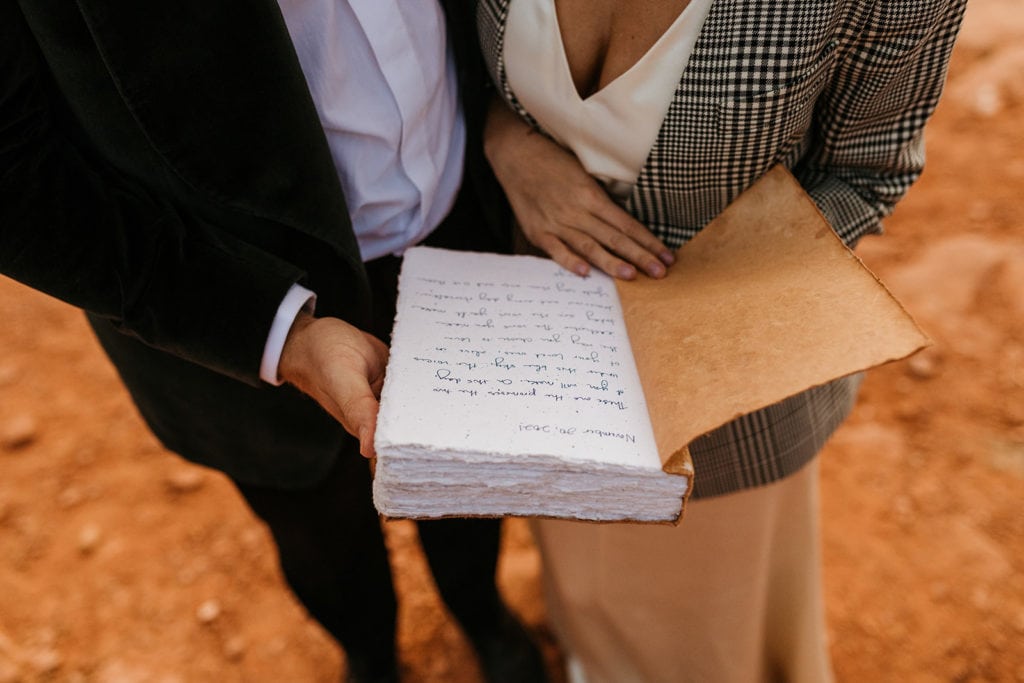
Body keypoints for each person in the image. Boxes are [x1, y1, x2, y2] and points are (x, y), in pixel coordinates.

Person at [0, 1, 549, 682]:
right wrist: (275, 330)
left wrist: (505, 126)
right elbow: (10, 169)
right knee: (315, 520)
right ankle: (371, 655)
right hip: (210, 287)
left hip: (464, 204)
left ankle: (482, 616)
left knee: (466, 476)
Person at [478, 0, 967, 680]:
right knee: (583, 576)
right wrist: (505, 139)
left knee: (707, 633)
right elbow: (444, 49)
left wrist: (685, 336)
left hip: (734, 390)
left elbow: (863, 176)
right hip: (539, 339)